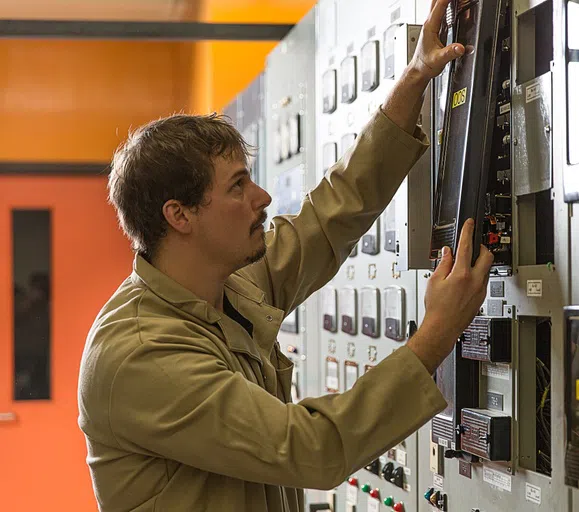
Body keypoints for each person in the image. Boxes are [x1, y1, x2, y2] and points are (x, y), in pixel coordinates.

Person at [77, 1, 494, 511]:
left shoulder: (223, 286)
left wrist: (415, 76)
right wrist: (436, 335)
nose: (263, 198)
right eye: (237, 187)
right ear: (180, 216)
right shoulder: (141, 355)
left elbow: (329, 217)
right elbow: (310, 449)